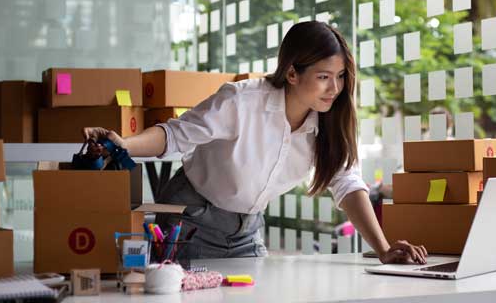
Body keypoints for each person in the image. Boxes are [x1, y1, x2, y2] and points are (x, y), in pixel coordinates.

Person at [84, 21, 427, 264]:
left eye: (339, 77)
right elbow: (175, 135)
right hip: (191, 224)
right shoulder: (242, 101)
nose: (334, 89)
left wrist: (383, 249)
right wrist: (124, 145)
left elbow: (348, 183)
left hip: (248, 231)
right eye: (323, 77)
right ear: (292, 73)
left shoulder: (330, 124)